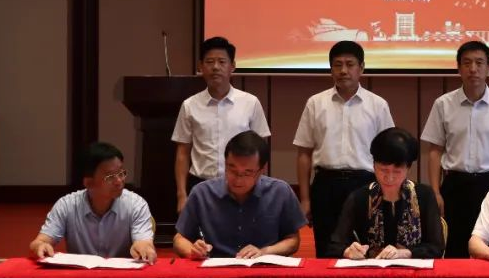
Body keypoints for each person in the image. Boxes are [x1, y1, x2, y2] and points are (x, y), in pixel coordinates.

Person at [421, 40, 489, 257]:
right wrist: (435, 192)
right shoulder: (443, 104)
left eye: (479, 63)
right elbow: (435, 150)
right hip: (455, 185)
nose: (473, 69)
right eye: (467, 63)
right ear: (458, 68)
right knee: (454, 248)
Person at [294, 41, 395, 257]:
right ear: (330, 69)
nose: (343, 70)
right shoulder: (315, 103)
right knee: (327, 249)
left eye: (350, 64)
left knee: (367, 250)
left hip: (365, 185)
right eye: (337, 65)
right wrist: (305, 199)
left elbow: (389, 154)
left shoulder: (378, 105)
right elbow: (304, 154)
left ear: (361, 68)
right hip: (325, 185)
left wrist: (388, 192)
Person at [172, 36, 271, 213]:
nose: (215, 67)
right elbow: (183, 153)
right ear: (200, 66)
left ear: (232, 66)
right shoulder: (189, 105)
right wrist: (182, 195)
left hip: (242, 186)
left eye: (222, 62)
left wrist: (259, 187)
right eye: (210, 62)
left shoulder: (250, 102)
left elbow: (261, 150)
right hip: (201, 185)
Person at [173, 131, 306, 259]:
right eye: (232, 170)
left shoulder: (280, 192)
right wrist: (193, 251)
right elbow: (179, 239)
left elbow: (293, 240)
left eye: (247, 173)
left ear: (262, 170)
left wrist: (264, 251)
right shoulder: (202, 193)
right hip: (215, 268)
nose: (238, 180)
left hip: (263, 267)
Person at [326, 128, 444, 259]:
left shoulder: (424, 195)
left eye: (397, 171)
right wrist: (348, 251)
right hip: (371, 269)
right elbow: (334, 245)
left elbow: (436, 247)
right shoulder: (359, 197)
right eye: (383, 170)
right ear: (374, 166)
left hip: (412, 270)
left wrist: (405, 253)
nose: (390, 178)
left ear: (408, 168)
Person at [29, 142, 156, 263]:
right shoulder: (66, 206)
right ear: (89, 182)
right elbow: (39, 242)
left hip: (122, 276)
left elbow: (144, 242)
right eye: (110, 177)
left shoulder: (136, 205)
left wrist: (144, 247)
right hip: (81, 276)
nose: (119, 181)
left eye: (121, 173)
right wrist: (41, 246)